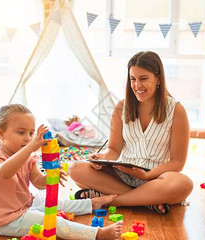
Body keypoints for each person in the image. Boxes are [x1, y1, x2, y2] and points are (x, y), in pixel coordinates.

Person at [69, 51, 193, 215]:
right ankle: (147, 201)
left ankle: (110, 200)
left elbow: (177, 162)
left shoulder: (177, 110)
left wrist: (146, 176)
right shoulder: (121, 107)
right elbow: (113, 150)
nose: (137, 85)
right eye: (132, 79)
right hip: (124, 174)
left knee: (183, 184)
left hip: (157, 178)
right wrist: (102, 158)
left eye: (143, 79)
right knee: (76, 169)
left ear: (158, 79)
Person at [0, 103, 123, 240]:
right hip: (5, 220)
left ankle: (90, 204)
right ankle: (98, 234)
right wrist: (31, 147)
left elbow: (38, 182)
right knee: (52, 221)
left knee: (54, 204)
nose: (28, 138)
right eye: (21, 132)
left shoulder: (27, 158)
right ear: (0, 134)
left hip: (23, 206)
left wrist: (51, 177)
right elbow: (4, 172)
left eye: (31, 133)